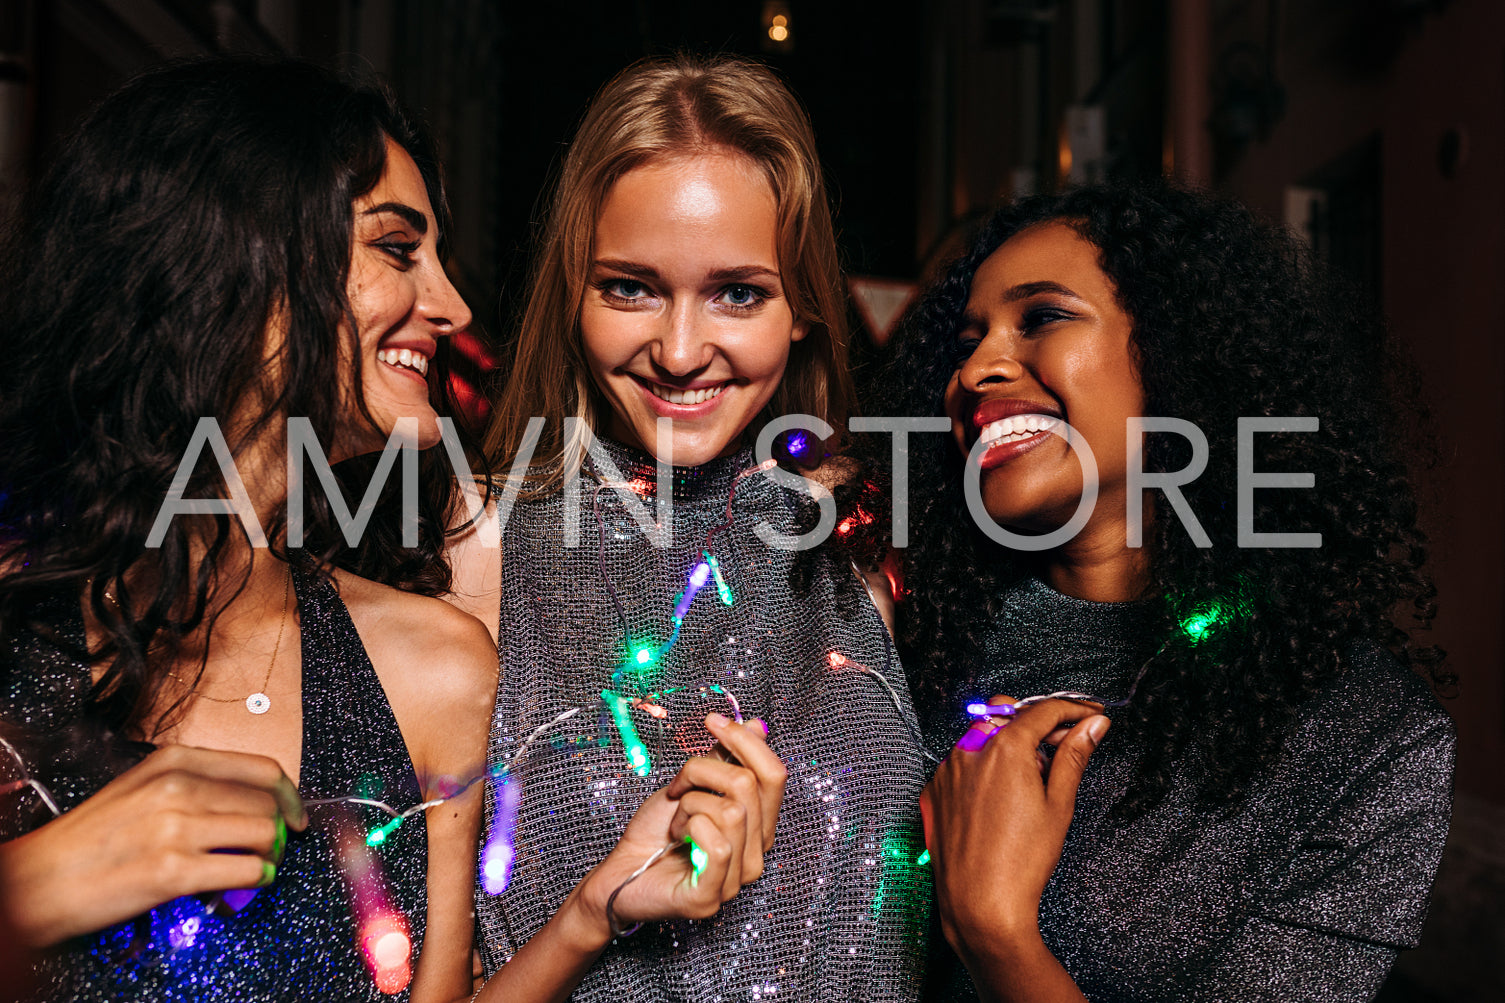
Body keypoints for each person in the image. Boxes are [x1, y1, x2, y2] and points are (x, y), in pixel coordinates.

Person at [873, 180, 1456, 1001]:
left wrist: (996, 933)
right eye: (966, 341)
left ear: (1180, 351)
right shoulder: (890, 641)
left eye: (1041, 316)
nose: (976, 370)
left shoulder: (1362, 733)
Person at [0, 59, 498, 1001]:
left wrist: (594, 915)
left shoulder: (432, 669)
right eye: (398, 249)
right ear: (244, 258)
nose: (452, 307)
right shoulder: (14, 602)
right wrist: (33, 887)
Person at [444, 53, 933, 1001]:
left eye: (737, 293)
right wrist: (597, 907)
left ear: (801, 310)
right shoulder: (482, 539)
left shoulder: (864, 538)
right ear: (572, 296)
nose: (676, 349)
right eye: (629, 287)